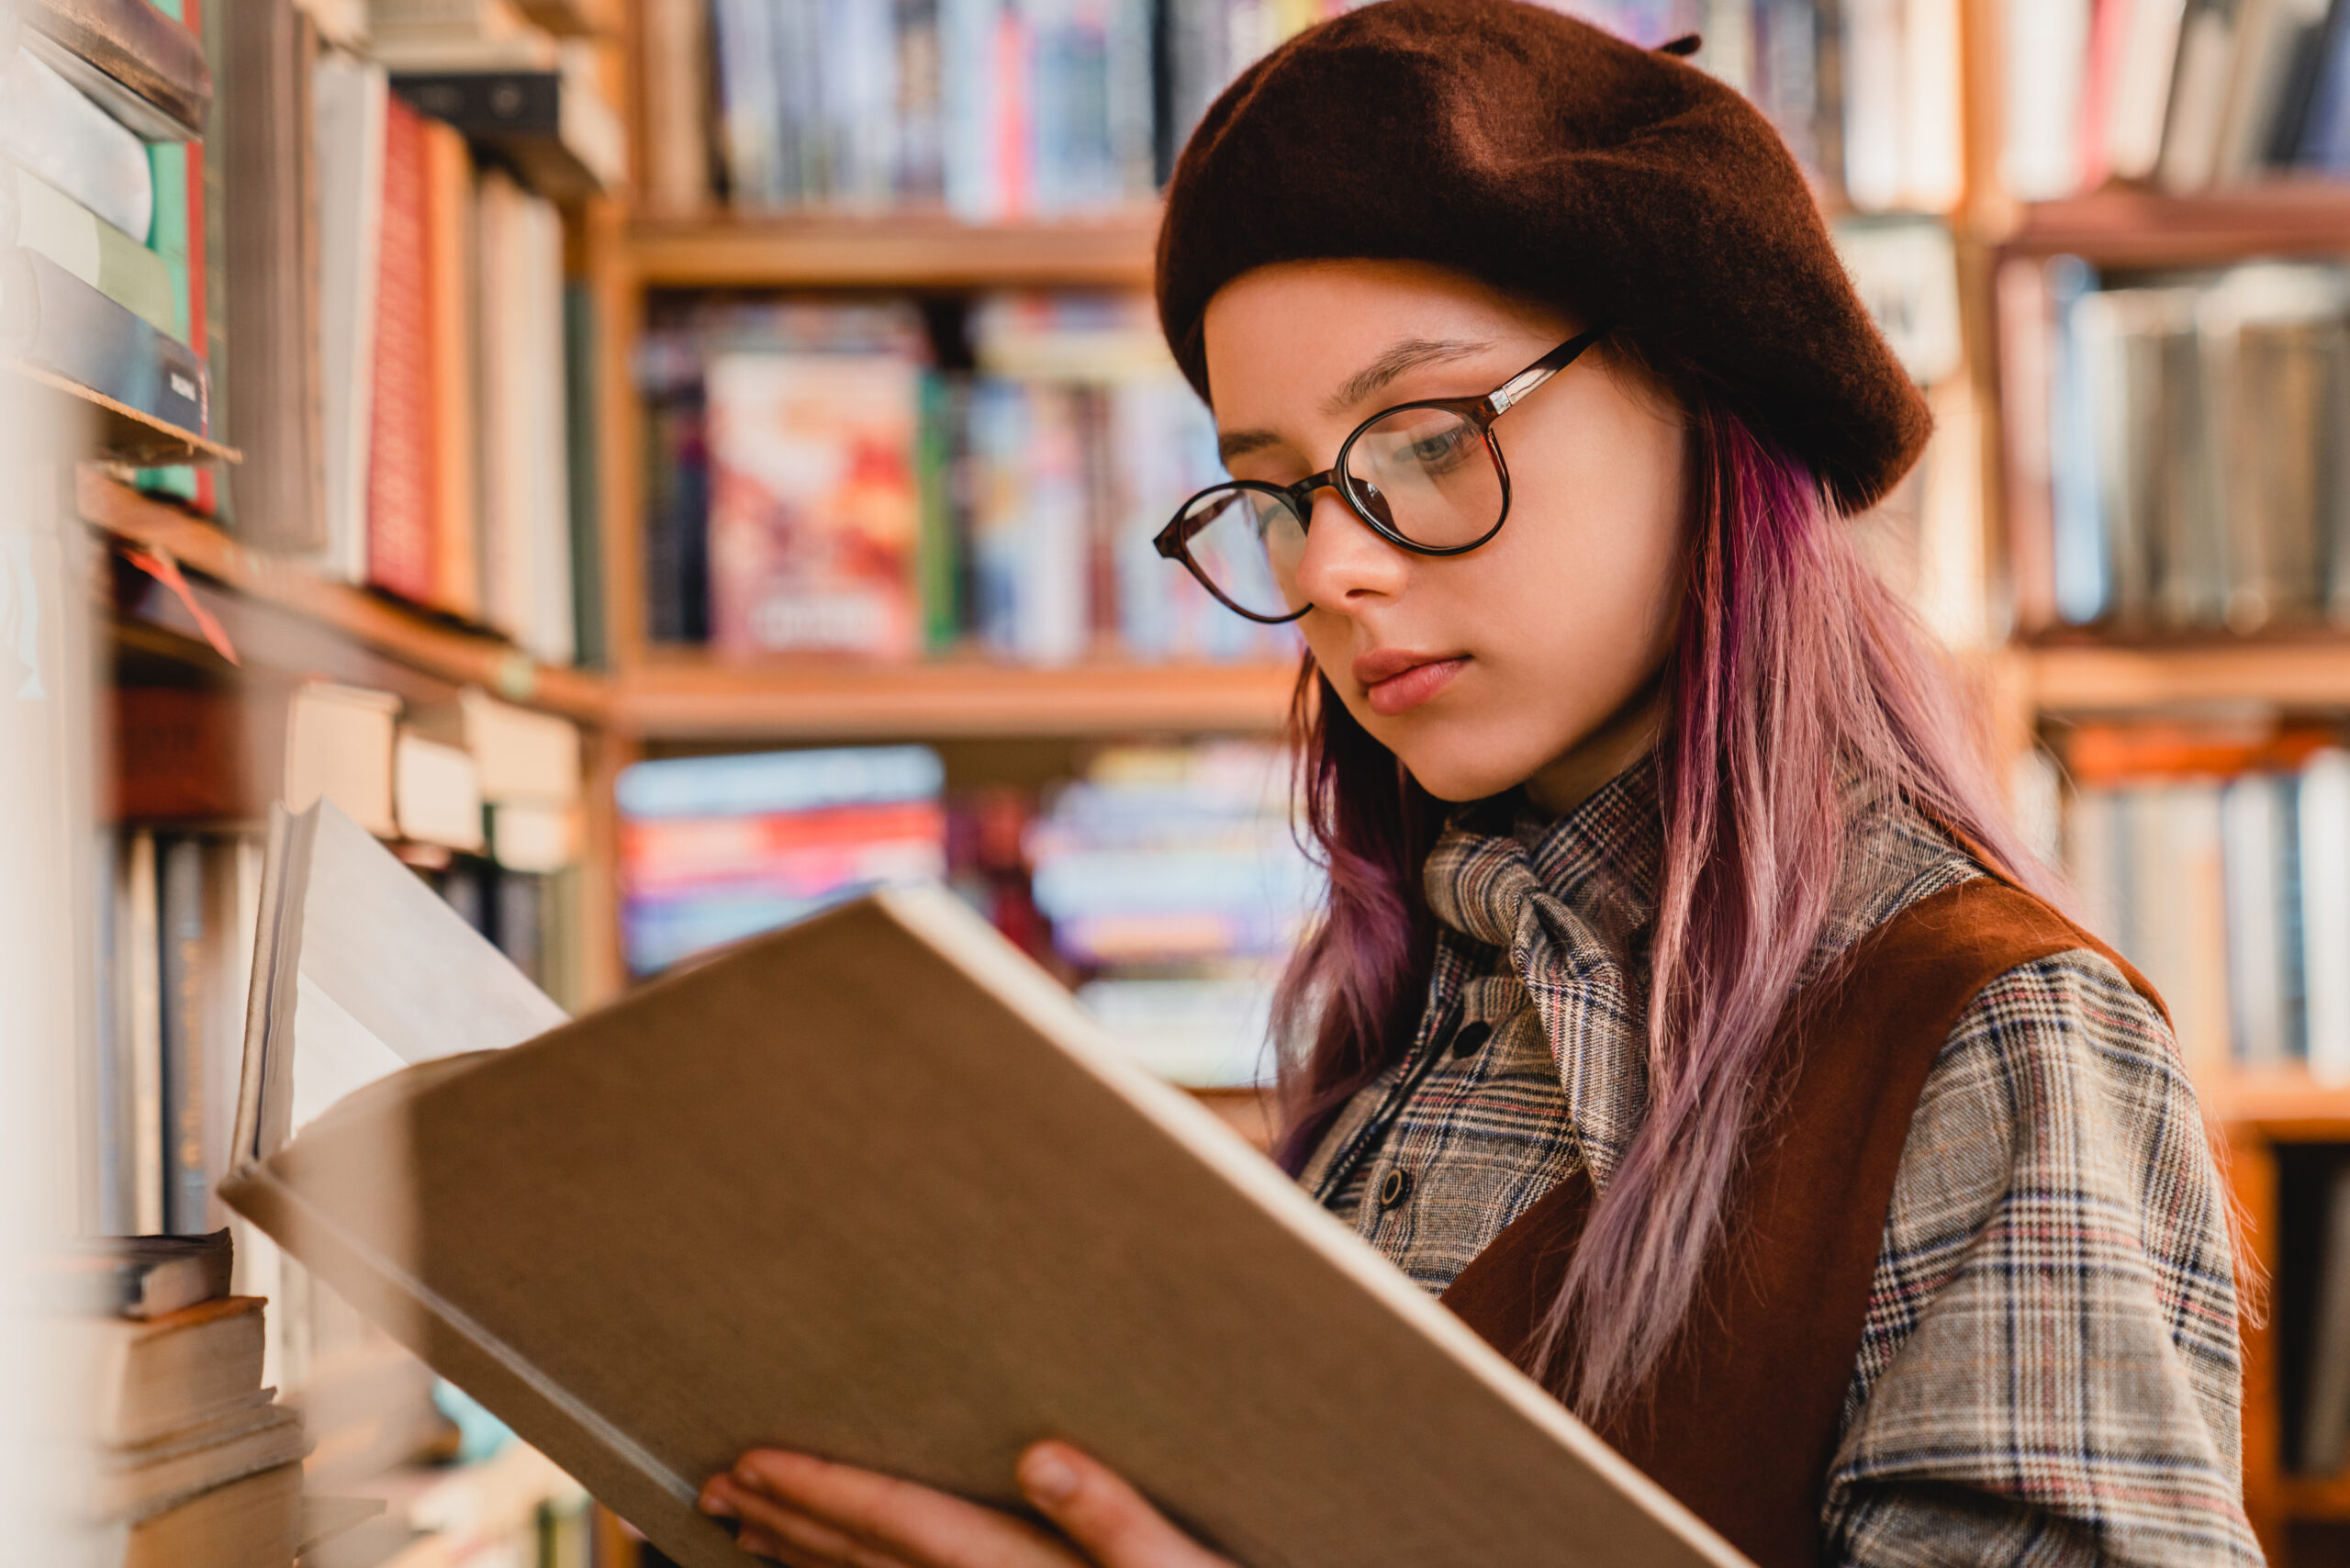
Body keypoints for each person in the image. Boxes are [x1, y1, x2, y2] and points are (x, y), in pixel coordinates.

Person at [698, 4, 2257, 1564]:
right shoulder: (1413, 1019)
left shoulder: (1990, 1034)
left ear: (1710, 413)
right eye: (1271, 494)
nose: (1332, 566)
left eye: (1430, 440)